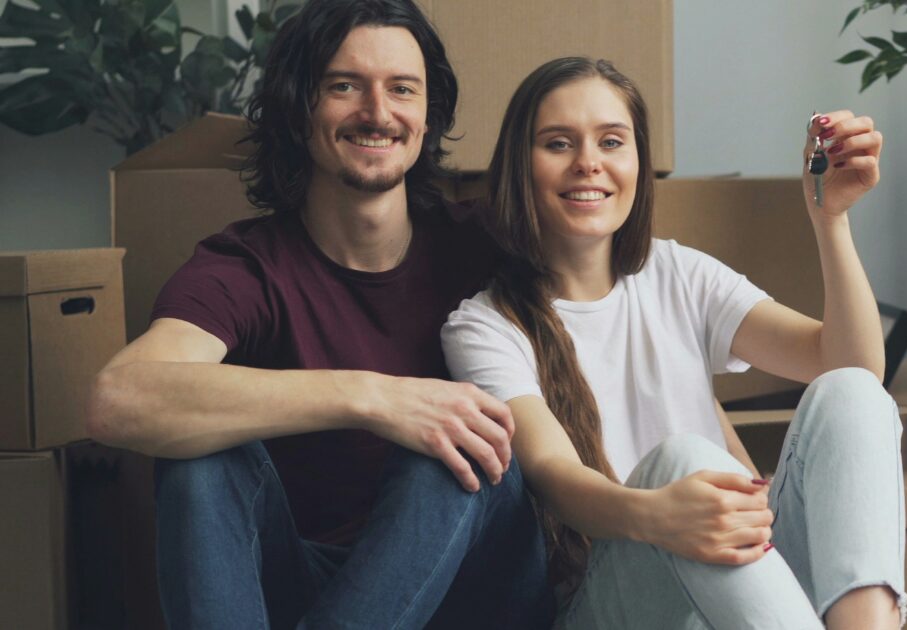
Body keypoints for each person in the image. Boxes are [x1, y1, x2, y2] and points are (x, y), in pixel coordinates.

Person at [84, 1, 555, 627]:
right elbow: (118, 399)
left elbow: (646, 300)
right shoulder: (247, 266)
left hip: (465, 591)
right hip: (297, 579)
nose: (378, 112)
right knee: (202, 457)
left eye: (402, 90)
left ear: (427, 116)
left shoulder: (490, 244)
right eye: (344, 86)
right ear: (298, 108)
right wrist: (373, 398)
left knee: (455, 441)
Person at [441, 57, 907, 629]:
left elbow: (851, 364)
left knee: (853, 394)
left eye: (612, 141)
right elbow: (555, 476)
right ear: (521, 164)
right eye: (559, 143)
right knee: (682, 462)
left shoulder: (677, 273)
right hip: (613, 599)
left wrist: (829, 218)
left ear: (637, 162)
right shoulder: (484, 326)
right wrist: (659, 514)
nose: (589, 163)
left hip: (752, 598)